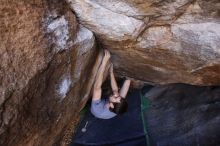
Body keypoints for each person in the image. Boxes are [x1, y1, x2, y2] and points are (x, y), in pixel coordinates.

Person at [91, 50, 131, 119]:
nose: (116, 94)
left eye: (115, 97)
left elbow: (97, 86)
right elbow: (115, 90)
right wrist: (111, 73)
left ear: (111, 105)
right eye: (119, 97)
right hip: (112, 106)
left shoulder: (97, 109)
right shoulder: (116, 107)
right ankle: (127, 79)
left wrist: (104, 62)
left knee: (103, 90)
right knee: (128, 81)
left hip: (97, 111)